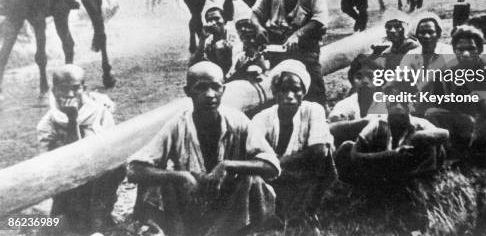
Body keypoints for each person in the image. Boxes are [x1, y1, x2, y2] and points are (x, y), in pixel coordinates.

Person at [127, 62, 280, 236]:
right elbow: (134, 169)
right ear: (187, 91)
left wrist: (226, 166)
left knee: (253, 180)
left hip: (228, 203)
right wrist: (181, 176)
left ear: (223, 90)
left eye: (215, 87)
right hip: (190, 203)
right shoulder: (178, 125)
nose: (209, 95)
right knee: (161, 182)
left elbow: (272, 166)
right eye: (201, 88)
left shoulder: (238, 121)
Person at [37, 65, 123, 232]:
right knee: (61, 226)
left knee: (118, 166)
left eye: (75, 88)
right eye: (63, 89)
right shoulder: (47, 125)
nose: (70, 95)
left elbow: (111, 154)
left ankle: (100, 215)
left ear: (84, 88)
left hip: (99, 180)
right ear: (54, 91)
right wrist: (72, 120)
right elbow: (71, 163)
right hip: (67, 187)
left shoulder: (100, 113)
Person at [252, 60, 335, 226]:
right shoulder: (263, 118)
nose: (289, 96)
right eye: (283, 90)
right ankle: (277, 212)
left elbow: (318, 151)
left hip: (305, 172)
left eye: (296, 90)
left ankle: (308, 211)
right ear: (275, 92)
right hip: (275, 177)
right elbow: (252, 153)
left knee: (325, 157)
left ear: (303, 92)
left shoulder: (313, 110)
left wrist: (276, 163)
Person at [416, 26, 486, 156]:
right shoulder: (447, 71)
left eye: (471, 49)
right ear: (454, 50)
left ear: (479, 49)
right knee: (432, 113)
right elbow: (429, 99)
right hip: (466, 123)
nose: (465, 54)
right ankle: (453, 148)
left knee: (485, 101)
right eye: (461, 49)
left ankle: (477, 148)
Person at [335, 80, 449, 191]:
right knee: (347, 148)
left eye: (403, 102)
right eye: (393, 102)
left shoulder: (419, 124)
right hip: (381, 172)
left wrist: (417, 137)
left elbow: (444, 133)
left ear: (412, 104)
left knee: (432, 142)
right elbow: (355, 154)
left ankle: (424, 181)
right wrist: (390, 154)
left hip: (410, 173)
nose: (398, 107)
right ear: (386, 104)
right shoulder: (378, 124)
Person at [251, 0, 328, 106]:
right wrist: (258, 27)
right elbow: (255, 13)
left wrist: (297, 35)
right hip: (276, 45)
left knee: (315, 88)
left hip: (305, 47)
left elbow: (320, 20)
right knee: (279, 88)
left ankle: (321, 112)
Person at [328, 54, 388, 145]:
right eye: (359, 77)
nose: (364, 81)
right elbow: (331, 127)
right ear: (352, 81)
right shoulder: (346, 104)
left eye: (370, 76)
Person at [400, 12, 453, 90]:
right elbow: (398, 79)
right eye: (422, 33)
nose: (427, 36)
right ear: (417, 35)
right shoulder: (411, 55)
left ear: (438, 34)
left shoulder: (448, 52)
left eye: (431, 32)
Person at [189, 6, 239, 75]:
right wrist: (202, 40)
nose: (213, 22)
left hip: (234, 73)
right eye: (209, 20)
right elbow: (194, 62)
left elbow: (236, 60)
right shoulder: (208, 39)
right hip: (217, 74)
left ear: (224, 20)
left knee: (220, 46)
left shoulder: (234, 35)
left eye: (217, 19)